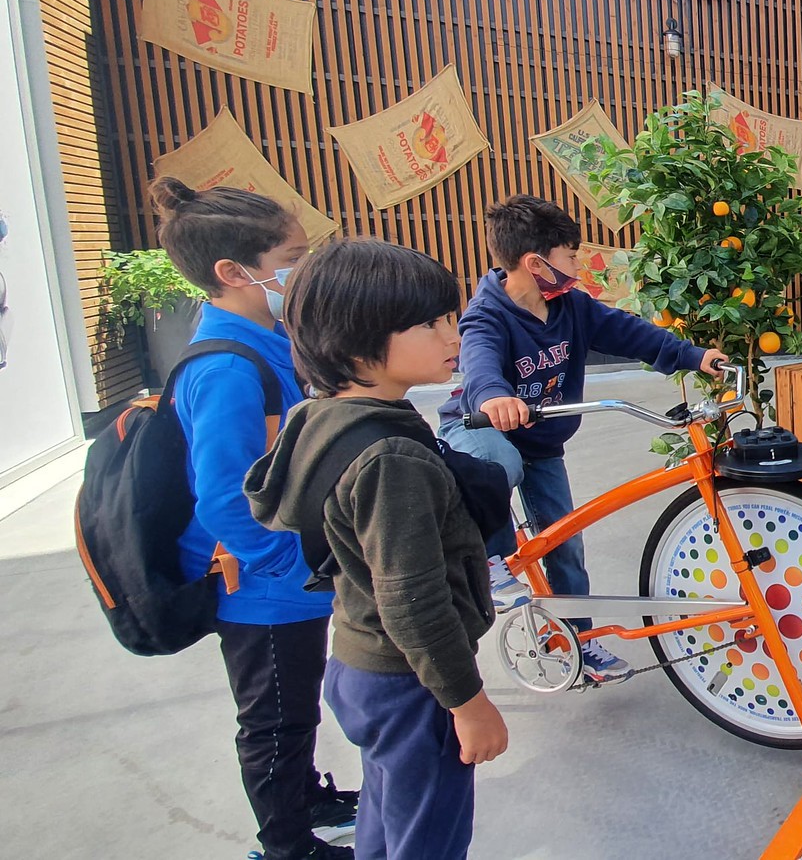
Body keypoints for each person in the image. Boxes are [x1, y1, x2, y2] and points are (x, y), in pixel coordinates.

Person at [246, 239, 503, 860]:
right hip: (412, 682)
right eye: (429, 322)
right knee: (428, 838)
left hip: (361, 665)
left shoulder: (325, 417)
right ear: (357, 342)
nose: (453, 333)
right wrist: (467, 703)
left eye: (451, 316)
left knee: (387, 819)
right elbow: (412, 600)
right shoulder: (392, 458)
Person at [435, 195, 722, 682]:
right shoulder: (488, 315)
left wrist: (693, 357)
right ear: (536, 263)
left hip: (543, 442)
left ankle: (578, 643)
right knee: (499, 463)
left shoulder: (570, 307)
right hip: (478, 429)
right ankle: (490, 559)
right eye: (570, 257)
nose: (578, 267)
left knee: (565, 543)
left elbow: (630, 333)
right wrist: (494, 398)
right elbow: (479, 361)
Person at [151, 178, 356, 860]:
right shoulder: (228, 368)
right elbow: (219, 494)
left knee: (296, 701)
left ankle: (307, 795)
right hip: (261, 583)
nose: (304, 267)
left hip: (286, 569)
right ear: (233, 273)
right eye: (292, 257)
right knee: (274, 718)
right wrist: (288, 564)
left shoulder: (267, 337)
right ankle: (286, 843)